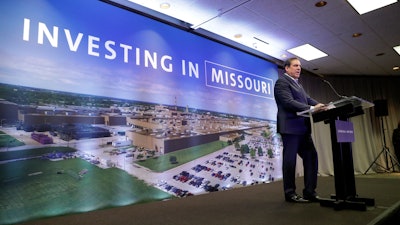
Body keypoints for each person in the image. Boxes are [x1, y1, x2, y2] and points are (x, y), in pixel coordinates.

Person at [274, 57, 325, 203]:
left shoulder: (299, 85)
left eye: (300, 66)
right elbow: (288, 102)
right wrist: (312, 108)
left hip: (303, 128)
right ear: (287, 68)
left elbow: (308, 100)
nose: (299, 68)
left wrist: (322, 106)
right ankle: (290, 193)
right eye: (295, 65)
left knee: (311, 157)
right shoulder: (281, 82)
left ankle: (310, 192)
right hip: (290, 128)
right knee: (290, 161)